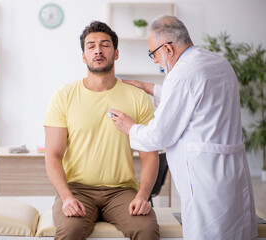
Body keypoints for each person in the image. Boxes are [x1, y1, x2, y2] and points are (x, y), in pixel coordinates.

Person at [109, 15, 257, 240]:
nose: (155, 61)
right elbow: (198, 99)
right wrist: (148, 87)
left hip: (205, 179)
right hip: (231, 173)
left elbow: (158, 136)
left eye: (153, 54)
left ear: (167, 48)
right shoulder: (216, 62)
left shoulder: (180, 75)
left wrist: (130, 127)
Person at [44, 21, 160, 240]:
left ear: (116, 54)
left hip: (122, 192)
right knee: (70, 231)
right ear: (83, 55)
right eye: (91, 46)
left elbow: (150, 156)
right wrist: (66, 197)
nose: (98, 50)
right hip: (77, 190)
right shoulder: (64, 96)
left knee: (147, 230)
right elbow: (53, 155)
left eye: (105, 45)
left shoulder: (137, 97)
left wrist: (143, 195)